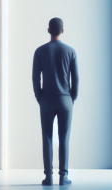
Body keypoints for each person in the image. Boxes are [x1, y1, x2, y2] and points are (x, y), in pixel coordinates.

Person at [32, 17, 79, 186]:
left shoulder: (39, 51)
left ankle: (48, 177)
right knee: (64, 138)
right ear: (63, 31)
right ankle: (63, 176)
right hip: (65, 100)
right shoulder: (70, 51)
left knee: (47, 137)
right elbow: (76, 80)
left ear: (48, 31)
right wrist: (72, 97)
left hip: (46, 100)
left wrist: (40, 98)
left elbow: (35, 79)